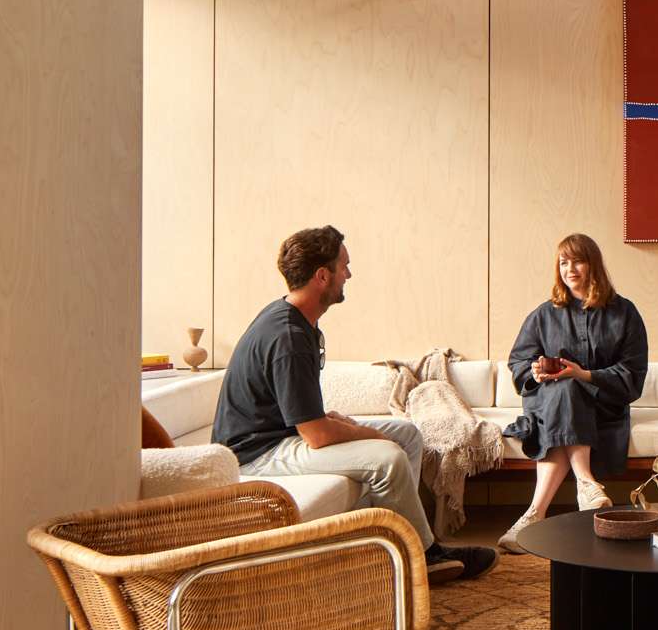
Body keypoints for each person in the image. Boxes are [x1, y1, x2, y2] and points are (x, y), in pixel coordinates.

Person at [212, 225, 495, 581]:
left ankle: (387, 545)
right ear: (322, 276)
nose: (349, 274)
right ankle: (423, 557)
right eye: (343, 266)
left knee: (407, 434)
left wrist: (338, 422)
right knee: (388, 457)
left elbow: (298, 411)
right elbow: (316, 435)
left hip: (283, 435)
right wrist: (367, 434)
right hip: (257, 454)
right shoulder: (288, 336)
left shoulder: (295, 320)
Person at [501, 233, 648, 552]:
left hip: (601, 404)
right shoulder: (543, 314)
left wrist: (583, 374)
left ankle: (533, 513)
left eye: (578, 261)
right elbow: (518, 362)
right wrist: (535, 373)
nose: (570, 269)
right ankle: (586, 482)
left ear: (593, 265)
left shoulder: (624, 313)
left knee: (569, 387)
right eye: (563, 263)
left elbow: (633, 373)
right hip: (547, 403)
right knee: (563, 389)